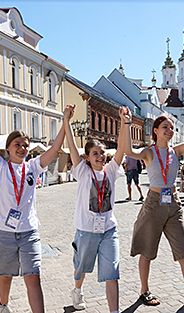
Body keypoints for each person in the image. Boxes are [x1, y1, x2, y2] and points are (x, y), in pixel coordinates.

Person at [0, 97, 67, 313]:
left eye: (25, 145)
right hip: (4, 232)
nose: (22, 148)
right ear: (8, 148)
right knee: (5, 275)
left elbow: (55, 147)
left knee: (33, 277)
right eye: (17, 144)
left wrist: (66, 120)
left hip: (29, 232)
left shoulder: (34, 167)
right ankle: (3, 305)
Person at [122, 102, 184, 313]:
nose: (170, 130)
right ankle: (144, 290)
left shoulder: (176, 151)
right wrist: (126, 122)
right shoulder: (149, 152)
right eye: (165, 126)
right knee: (147, 251)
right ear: (155, 130)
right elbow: (128, 150)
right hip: (154, 202)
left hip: (174, 204)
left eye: (171, 127)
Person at [64, 104, 127, 312]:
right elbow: (72, 146)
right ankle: (78, 290)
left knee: (112, 272)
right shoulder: (82, 172)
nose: (100, 156)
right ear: (87, 158)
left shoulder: (111, 172)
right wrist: (67, 119)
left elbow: (122, 148)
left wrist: (124, 121)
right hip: (86, 230)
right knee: (81, 268)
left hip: (109, 230)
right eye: (95, 154)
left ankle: (114, 311)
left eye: (102, 153)